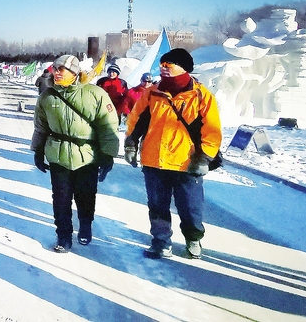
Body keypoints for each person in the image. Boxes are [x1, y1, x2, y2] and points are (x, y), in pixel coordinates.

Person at [124, 48, 222, 259]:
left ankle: (193, 238)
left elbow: (212, 130)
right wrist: (130, 144)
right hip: (154, 160)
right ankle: (161, 242)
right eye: (162, 65)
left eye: (169, 65)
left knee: (190, 207)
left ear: (184, 68)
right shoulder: (152, 93)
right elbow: (136, 120)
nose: (163, 69)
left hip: (187, 163)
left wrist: (204, 157)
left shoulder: (201, 96)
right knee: (157, 207)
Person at [31, 54, 120, 253]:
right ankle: (63, 235)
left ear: (74, 73)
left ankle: (86, 226)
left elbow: (109, 126)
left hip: (87, 155)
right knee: (61, 198)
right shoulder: (47, 96)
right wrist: (37, 150)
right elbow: (40, 127)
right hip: (58, 155)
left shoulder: (95, 94)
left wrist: (108, 155)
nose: (56, 73)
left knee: (86, 196)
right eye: (55, 69)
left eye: (61, 69)